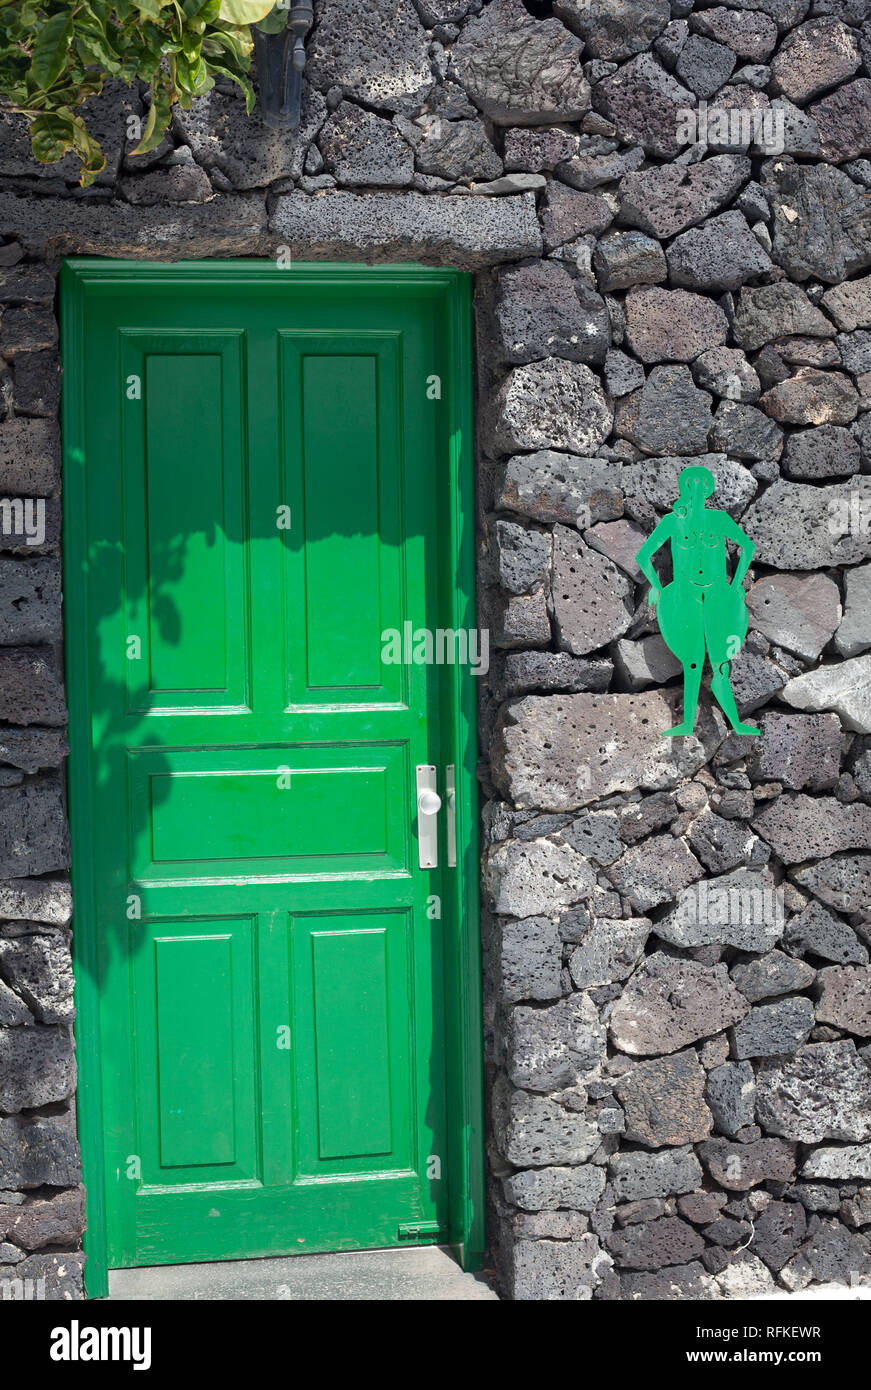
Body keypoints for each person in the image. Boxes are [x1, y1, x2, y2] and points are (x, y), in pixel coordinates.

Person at [635, 464, 760, 738]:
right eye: (690, 485)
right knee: (691, 661)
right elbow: (643, 556)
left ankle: (736, 723)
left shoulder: (718, 520)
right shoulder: (672, 521)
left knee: (721, 663)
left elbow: (747, 547)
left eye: (700, 485)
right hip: (684, 594)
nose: (695, 490)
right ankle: (686, 723)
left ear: (707, 489)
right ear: (684, 488)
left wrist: (736, 584)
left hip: (718, 594)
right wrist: (657, 587)